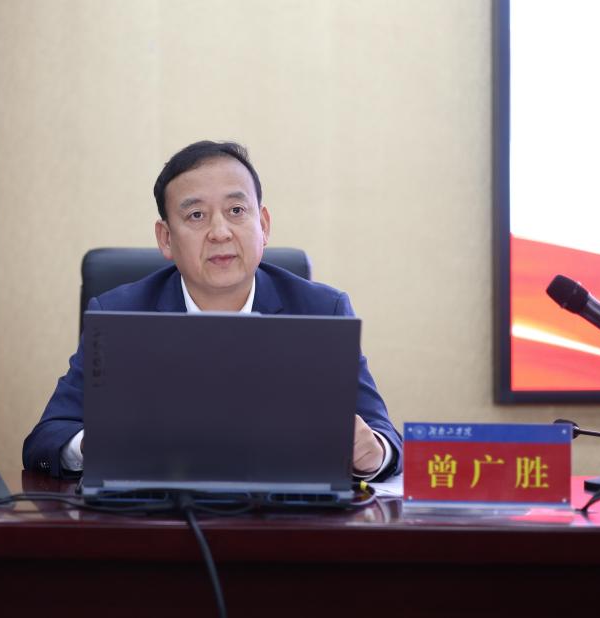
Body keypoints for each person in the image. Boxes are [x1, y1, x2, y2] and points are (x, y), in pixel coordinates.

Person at [22, 140, 403, 481]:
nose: (220, 232)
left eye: (236, 210)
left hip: (284, 520)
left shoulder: (322, 311)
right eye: (196, 216)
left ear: (263, 225)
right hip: (158, 521)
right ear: (166, 238)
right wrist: (94, 444)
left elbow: (385, 437)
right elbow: (46, 438)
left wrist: (373, 454)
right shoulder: (118, 314)